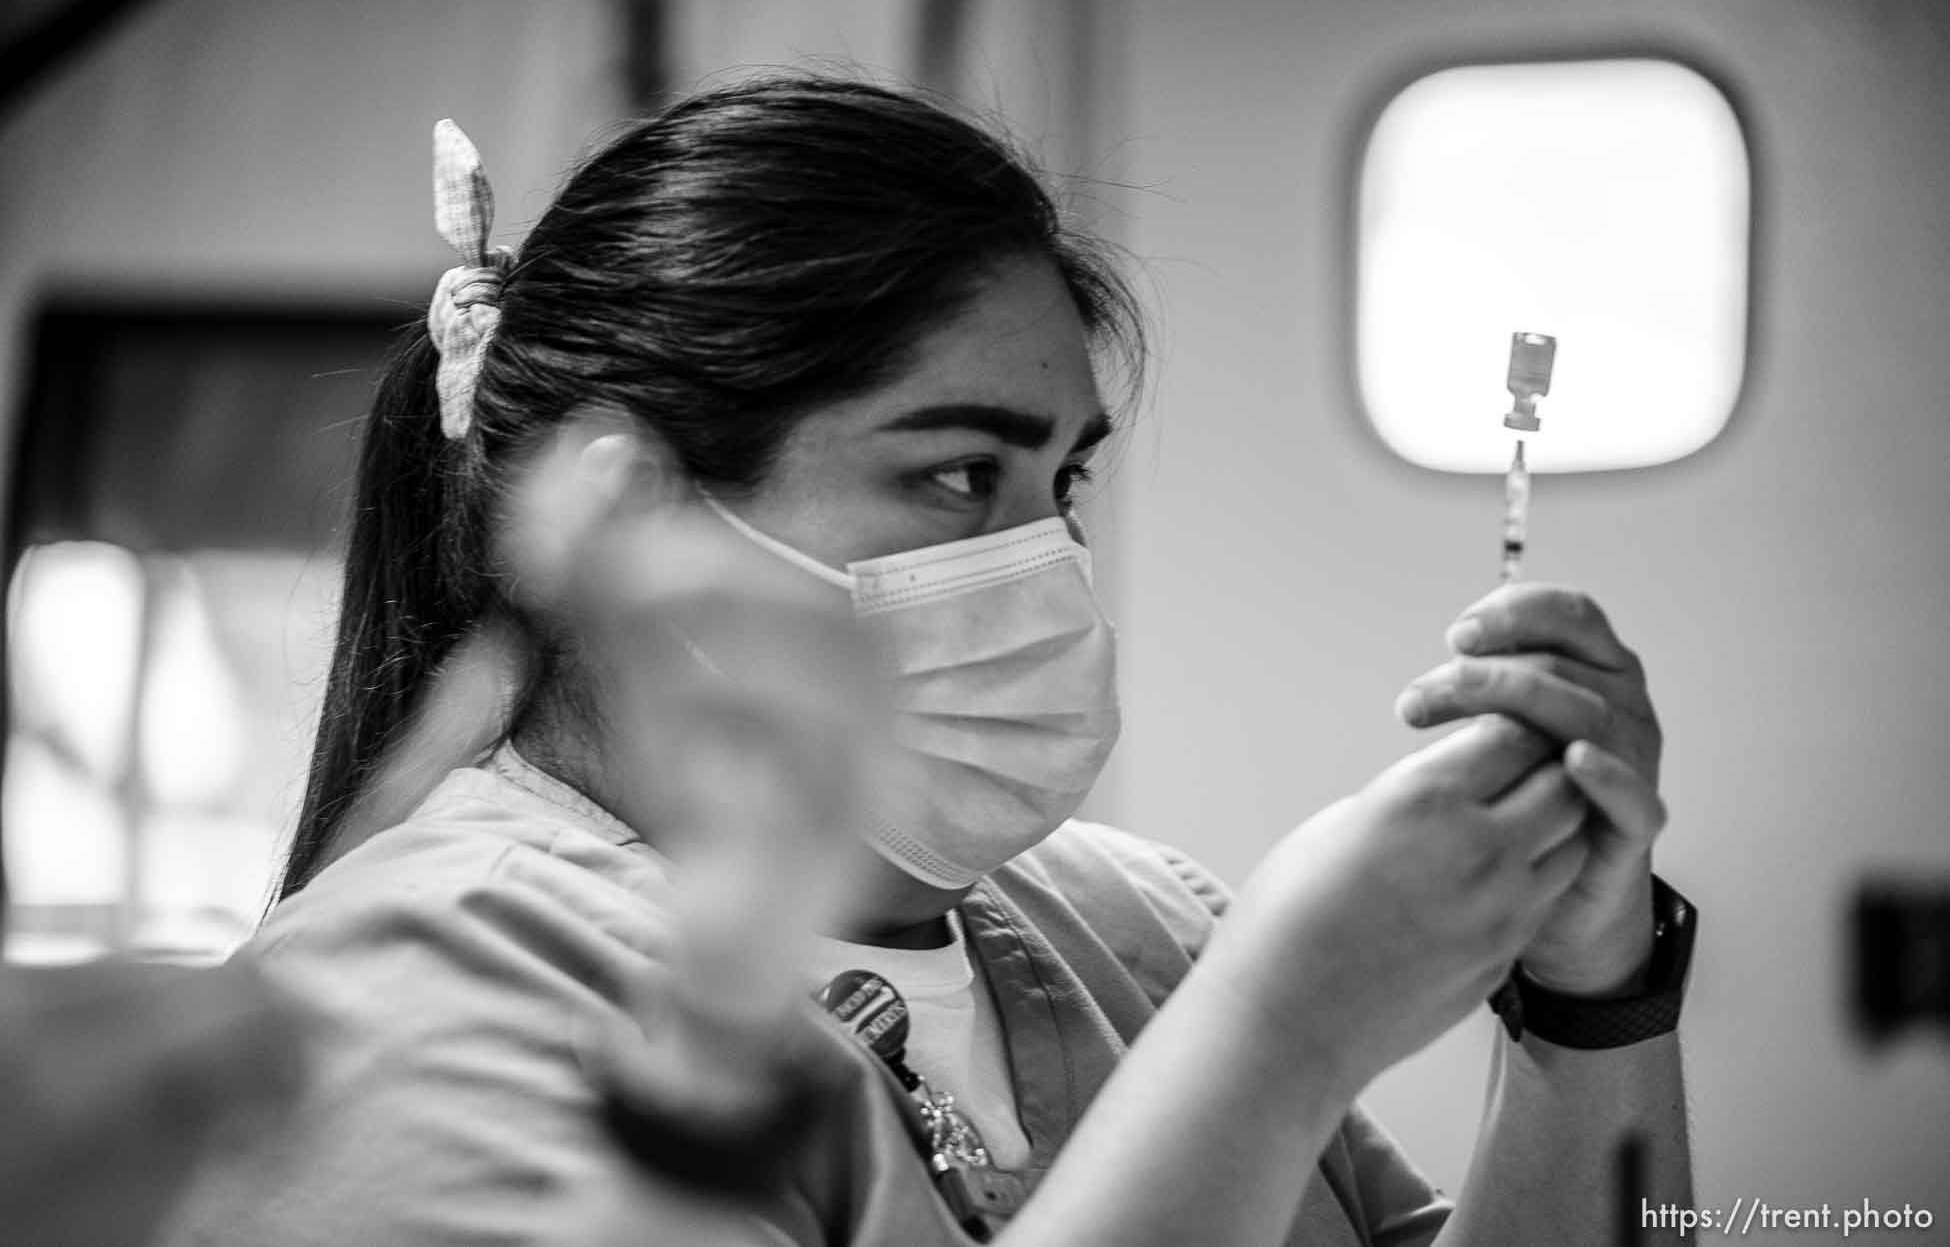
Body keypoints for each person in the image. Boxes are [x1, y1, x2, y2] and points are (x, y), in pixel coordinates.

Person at [162, 73, 1694, 1246]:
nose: (1049, 571)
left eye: (1063, 487)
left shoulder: (1140, 925)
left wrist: (1589, 996)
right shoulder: (421, 1004)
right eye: (960, 475)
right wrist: (1279, 1040)